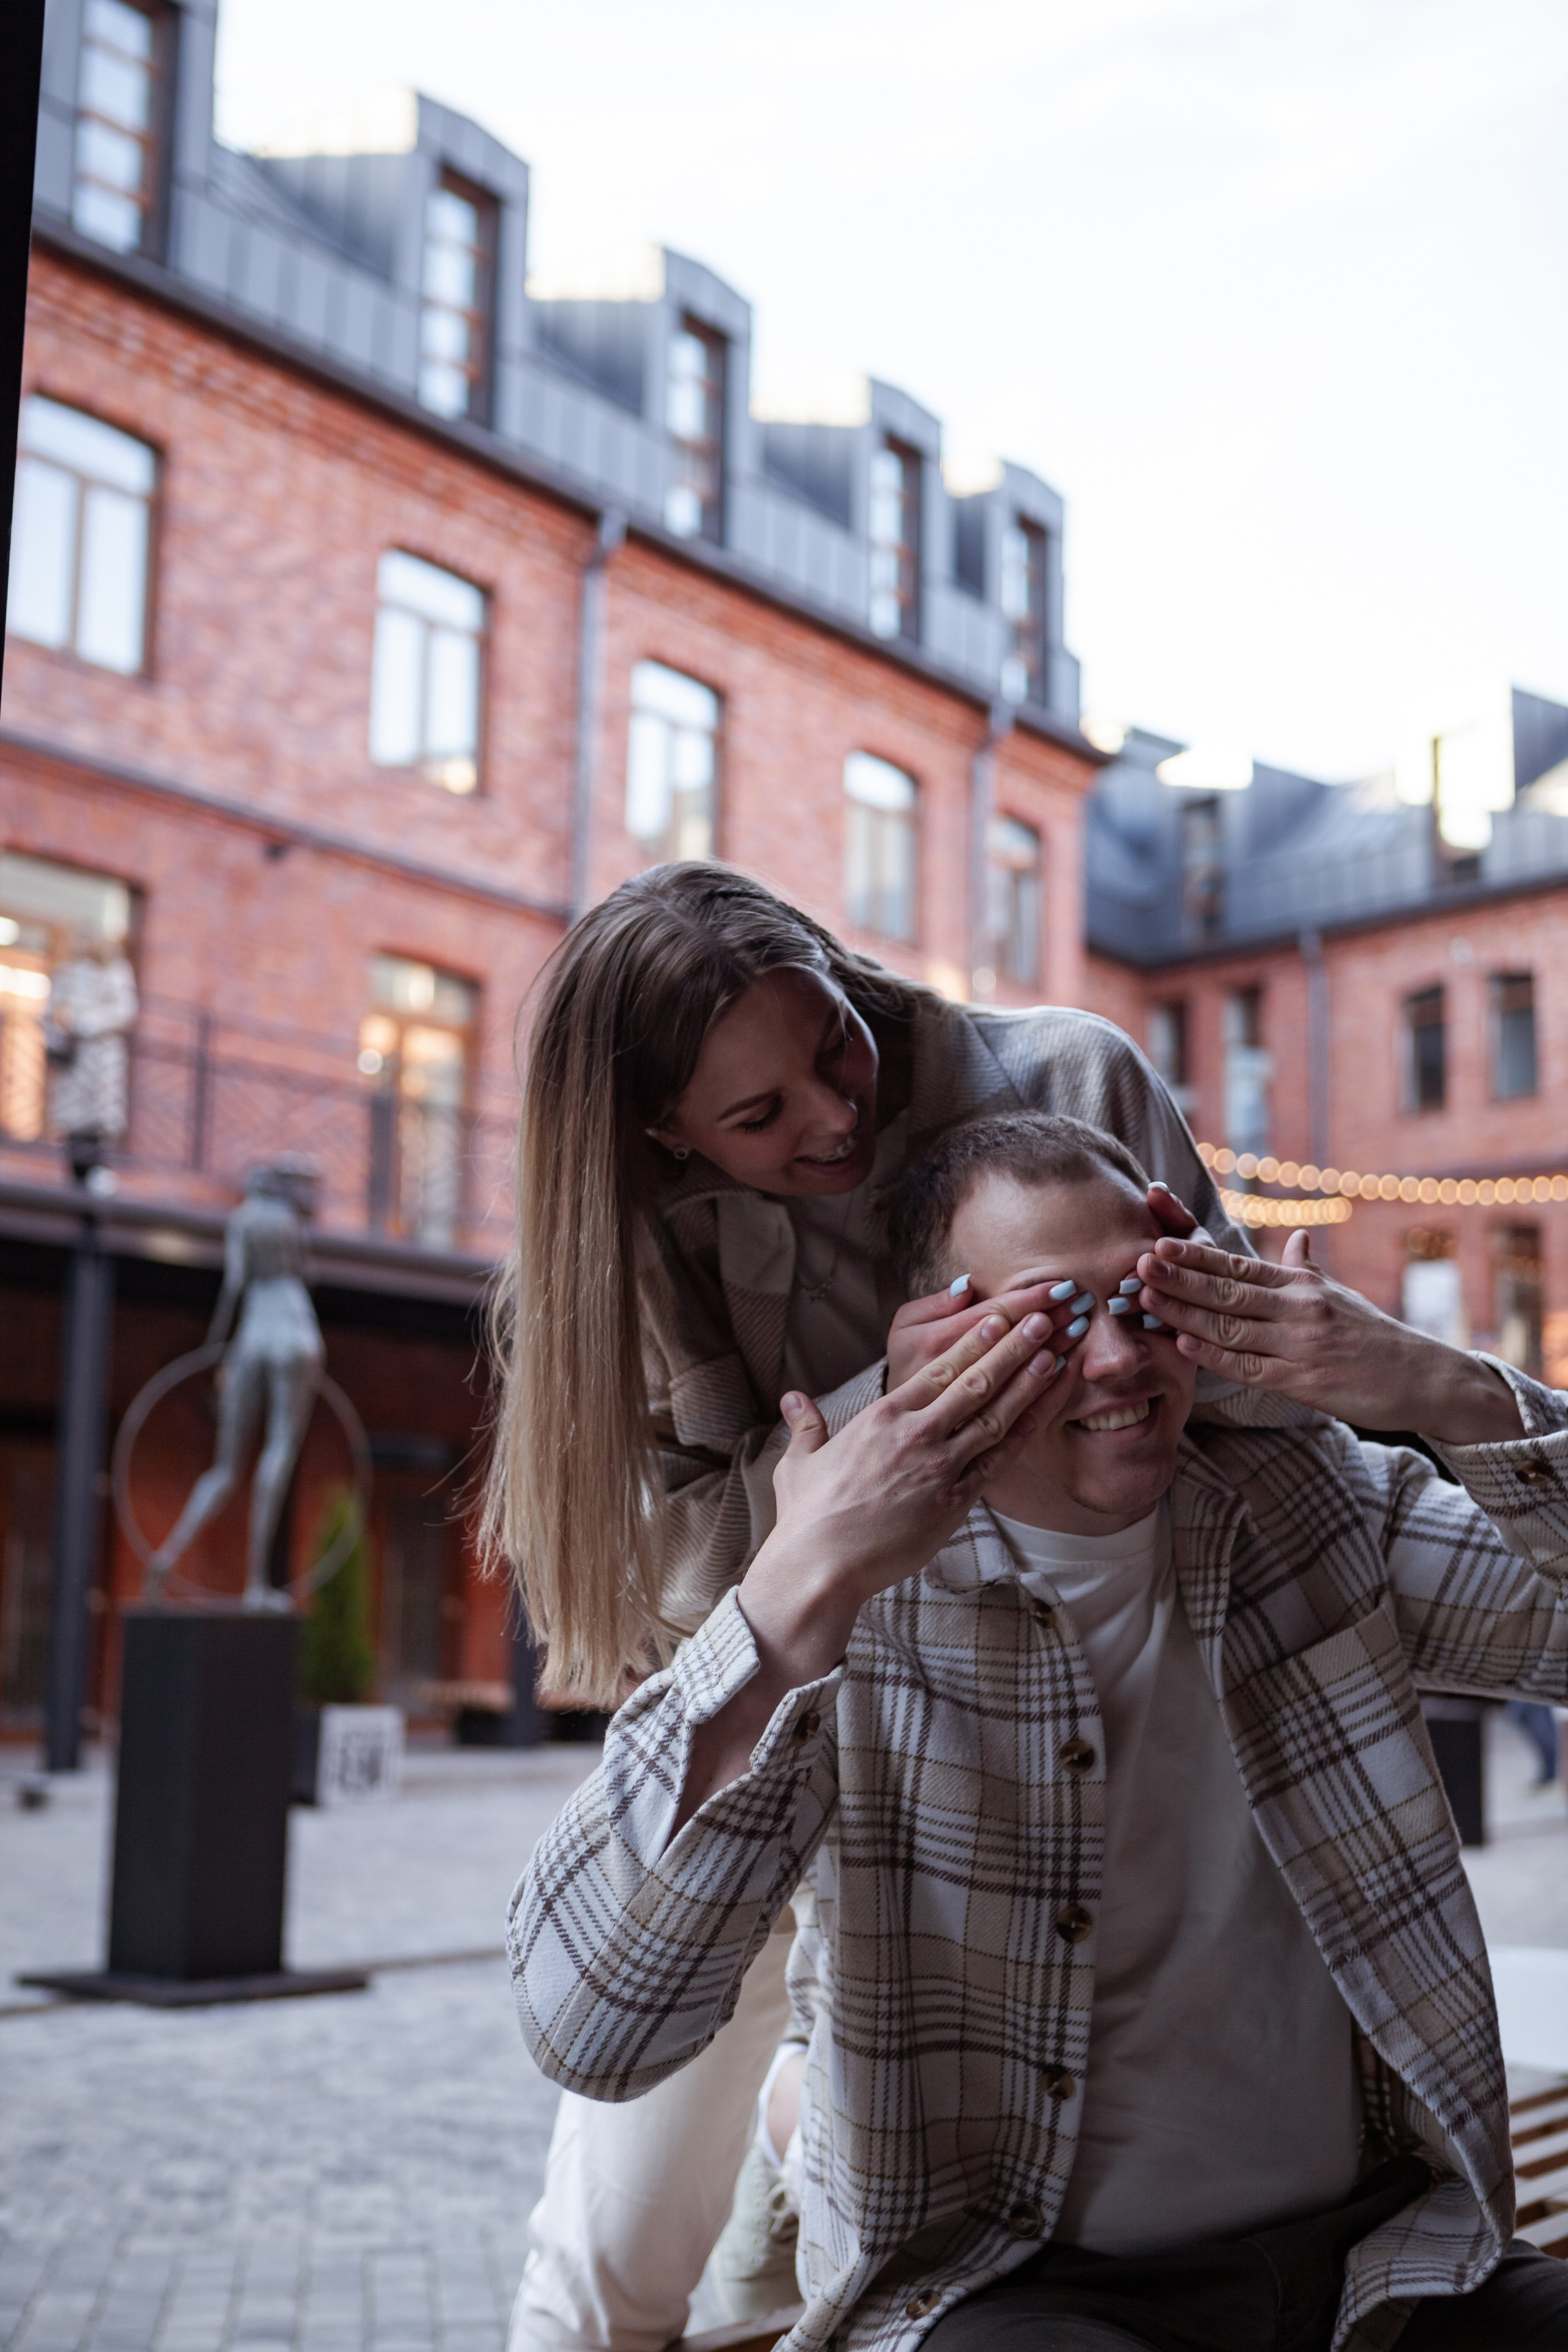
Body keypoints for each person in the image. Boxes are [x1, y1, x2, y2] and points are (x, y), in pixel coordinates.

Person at [510, 1110, 1568, 2351]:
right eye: (1051, 1323)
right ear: (944, 1344)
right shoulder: (851, 1599)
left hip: (1379, 2265)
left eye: (1145, 1300)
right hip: (1013, 2296)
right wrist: (791, 1595)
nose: (1118, 1361)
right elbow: (592, 2025)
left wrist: (1434, 1387)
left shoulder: (1312, 1506)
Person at [481, 863, 1253, 2352]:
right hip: (789, 1740)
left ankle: (804, 2148)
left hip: (1020, 1760)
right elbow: (677, 1582)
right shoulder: (626, 1242)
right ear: (661, 1133)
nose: (831, 1118)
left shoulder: (1068, 1070)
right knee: (605, 2262)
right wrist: (879, 1411)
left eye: (831, 1045)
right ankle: (793, 2140)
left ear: (842, 971)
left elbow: (1207, 1406)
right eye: (757, 1119)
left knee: (946, 2222)